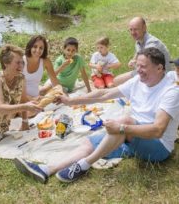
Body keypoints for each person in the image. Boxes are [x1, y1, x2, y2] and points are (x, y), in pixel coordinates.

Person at [14, 47, 179, 184]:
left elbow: (158, 130)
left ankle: (83, 165)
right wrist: (70, 101)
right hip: (131, 137)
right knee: (88, 142)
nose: (138, 70)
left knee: (124, 121)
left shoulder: (170, 91)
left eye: (143, 67)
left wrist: (122, 127)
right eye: (138, 66)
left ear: (159, 68)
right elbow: (103, 95)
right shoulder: (137, 81)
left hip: (158, 147)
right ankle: (45, 170)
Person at [114, 16, 171, 85]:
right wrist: (133, 61)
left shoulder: (152, 44)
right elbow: (136, 58)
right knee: (117, 81)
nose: (132, 32)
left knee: (118, 81)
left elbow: (145, 65)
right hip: (146, 72)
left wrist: (135, 63)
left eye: (135, 29)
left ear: (144, 28)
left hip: (160, 76)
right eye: (131, 30)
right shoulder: (139, 41)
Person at [23, 35, 59, 100]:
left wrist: (60, 93)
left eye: (41, 48)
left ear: (44, 50)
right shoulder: (21, 61)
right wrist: (32, 99)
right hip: (21, 100)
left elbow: (55, 82)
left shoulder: (46, 61)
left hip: (37, 98)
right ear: (30, 47)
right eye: (35, 47)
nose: (37, 50)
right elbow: (15, 89)